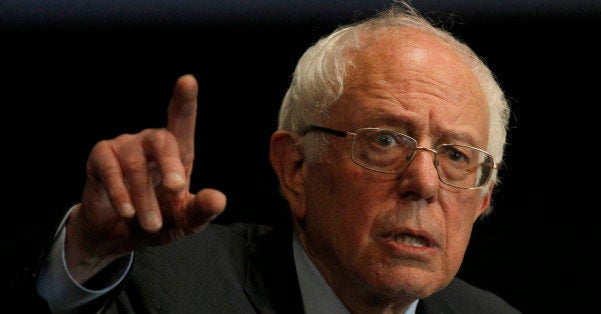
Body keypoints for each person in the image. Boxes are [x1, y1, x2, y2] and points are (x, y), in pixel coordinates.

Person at [13, 1, 519, 313]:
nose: (424, 182)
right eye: (385, 141)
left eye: (455, 155)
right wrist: (87, 253)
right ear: (295, 168)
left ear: (481, 201)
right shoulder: (166, 286)